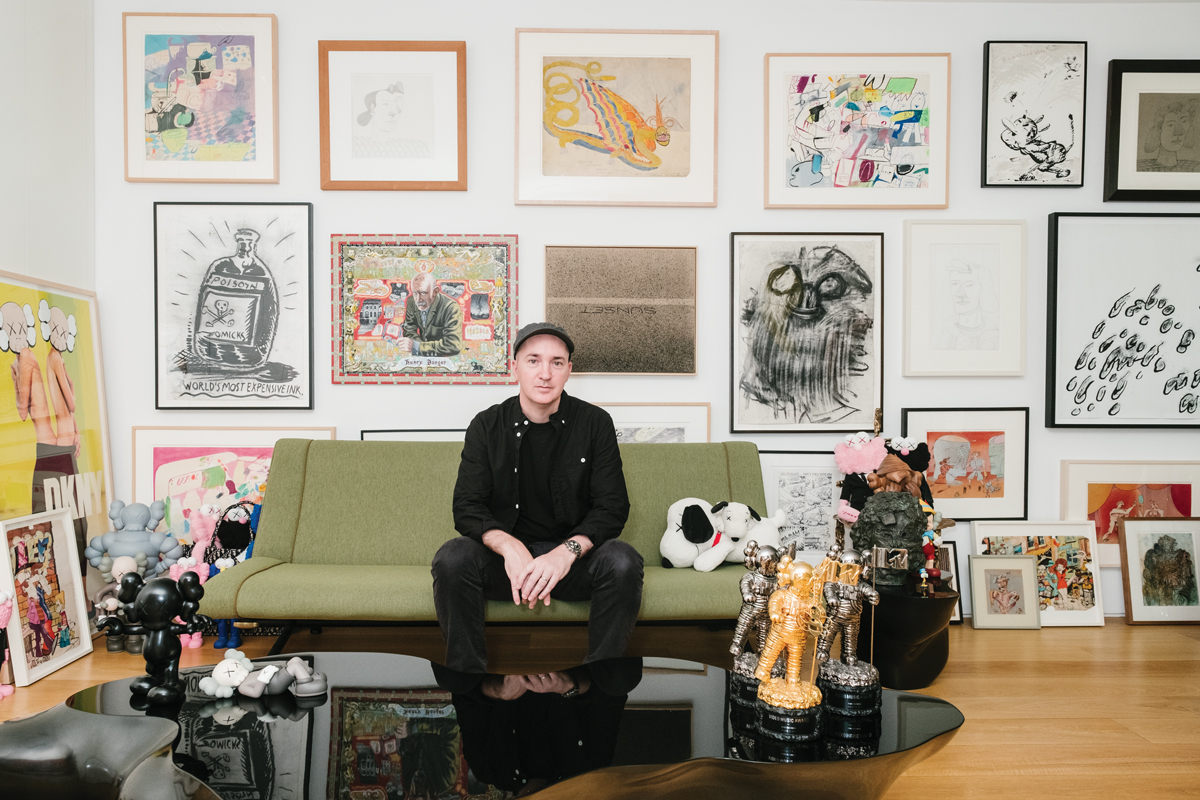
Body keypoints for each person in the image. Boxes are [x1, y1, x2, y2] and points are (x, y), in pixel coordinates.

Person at [433, 322, 642, 674]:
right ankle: (471, 684)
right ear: (514, 366)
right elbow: (467, 506)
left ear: (568, 370)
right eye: (533, 361)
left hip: (571, 565)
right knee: (452, 558)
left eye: (556, 362)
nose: (545, 374)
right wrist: (508, 546)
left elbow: (612, 506)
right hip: (507, 567)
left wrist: (566, 552)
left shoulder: (595, 423)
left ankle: (596, 682)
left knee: (623, 561)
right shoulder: (486, 426)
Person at [398, 272, 463, 357]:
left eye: (423, 293)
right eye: (415, 293)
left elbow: (453, 345)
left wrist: (418, 347)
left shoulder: (451, 307)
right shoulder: (411, 301)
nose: (418, 299)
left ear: (435, 291)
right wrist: (420, 347)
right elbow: (409, 329)